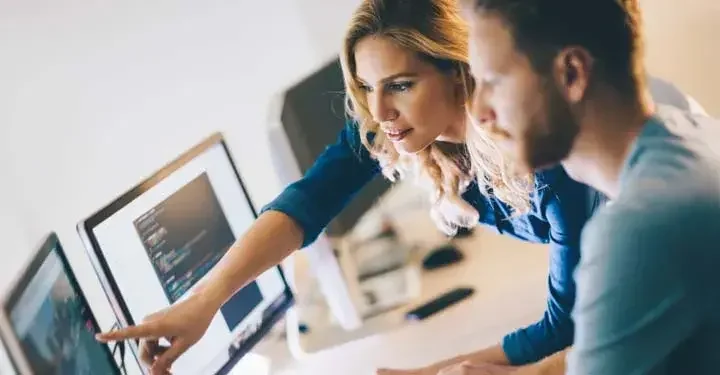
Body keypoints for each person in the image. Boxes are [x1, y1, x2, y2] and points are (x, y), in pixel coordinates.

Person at [95, 1, 706, 375]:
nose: (379, 112)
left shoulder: (552, 147)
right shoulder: (414, 124)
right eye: (366, 89)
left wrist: (434, 370)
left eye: (402, 85)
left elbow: (570, 327)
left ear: (459, 68)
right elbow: (308, 200)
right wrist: (206, 300)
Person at [458, 0, 720, 374]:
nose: (479, 111)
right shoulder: (691, 135)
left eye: (493, 82)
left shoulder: (640, 227)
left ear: (572, 74)